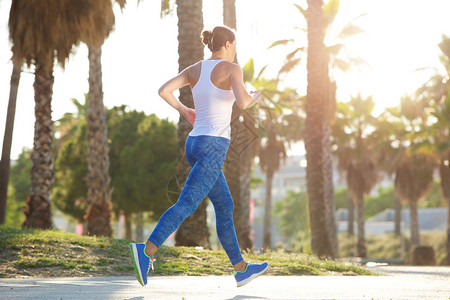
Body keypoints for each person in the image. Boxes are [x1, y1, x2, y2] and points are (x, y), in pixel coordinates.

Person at [129, 26, 269, 288]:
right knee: (187, 204)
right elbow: (243, 103)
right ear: (227, 44)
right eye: (235, 45)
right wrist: (255, 96)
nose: (236, 50)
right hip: (213, 147)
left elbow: (163, 90)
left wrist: (184, 110)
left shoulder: (195, 69)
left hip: (194, 144)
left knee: (225, 206)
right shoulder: (232, 69)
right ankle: (145, 250)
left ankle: (241, 269)